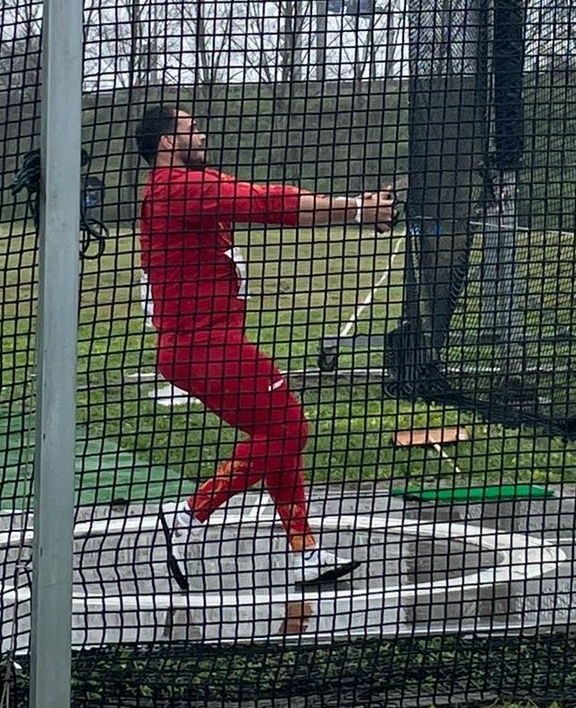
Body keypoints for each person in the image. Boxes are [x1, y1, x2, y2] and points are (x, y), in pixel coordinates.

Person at [135, 105, 396, 589]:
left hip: (204, 346)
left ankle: (303, 554)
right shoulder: (178, 187)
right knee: (290, 430)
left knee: (277, 434)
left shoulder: (186, 183)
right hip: (205, 347)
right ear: (168, 142)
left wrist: (356, 207)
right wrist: (359, 210)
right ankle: (189, 514)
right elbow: (268, 202)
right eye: (191, 129)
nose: (202, 134)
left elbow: (264, 200)